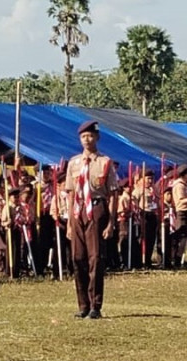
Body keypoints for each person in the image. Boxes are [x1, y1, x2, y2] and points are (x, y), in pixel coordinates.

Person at [66, 120, 118, 319]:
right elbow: (70, 193)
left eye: (90, 136)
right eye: (83, 137)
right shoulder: (74, 163)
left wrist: (111, 222)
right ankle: (83, 305)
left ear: (97, 138)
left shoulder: (105, 162)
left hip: (96, 208)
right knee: (77, 258)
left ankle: (96, 305)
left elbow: (113, 193)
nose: (87, 140)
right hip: (78, 211)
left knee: (95, 258)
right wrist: (70, 221)